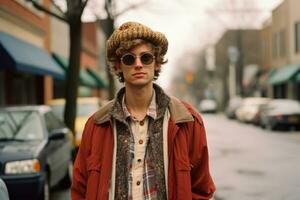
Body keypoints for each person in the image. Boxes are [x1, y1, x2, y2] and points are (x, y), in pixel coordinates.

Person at [71, 21, 215, 200]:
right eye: (129, 59)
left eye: (145, 57)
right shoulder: (96, 125)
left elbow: (201, 189)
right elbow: (80, 189)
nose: (138, 64)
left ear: (156, 63)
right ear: (118, 66)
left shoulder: (187, 121)